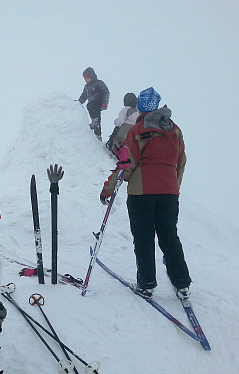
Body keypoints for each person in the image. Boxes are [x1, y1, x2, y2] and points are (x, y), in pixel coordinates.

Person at [99, 87, 191, 300]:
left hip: (142, 193)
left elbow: (127, 164)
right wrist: (172, 186)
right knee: (169, 236)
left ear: (140, 106)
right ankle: (182, 284)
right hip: (169, 193)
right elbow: (181, 162)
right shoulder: (174, 130)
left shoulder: (138, 130)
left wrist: (108, 189)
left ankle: (146, 284)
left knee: (143, 238)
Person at [77, 67, 110, 141]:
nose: (86, 80)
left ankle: (94, 122)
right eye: (85, 79)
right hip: (93, 105)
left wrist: (105, 103)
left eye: (87, 78)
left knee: (90, 105)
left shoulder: (99, 83)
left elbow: (106, 92)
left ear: (92, 76)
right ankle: (98, 135)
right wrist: (78, 103)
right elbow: (84, 96)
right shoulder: (86, 87)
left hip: (99, 102)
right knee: (97, 118)